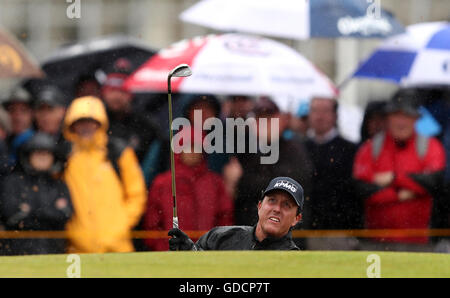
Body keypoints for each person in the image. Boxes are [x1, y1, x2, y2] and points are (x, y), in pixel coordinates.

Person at [353, 95, 446, 250]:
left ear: (416, 119)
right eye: (396, 115)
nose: (401, 121)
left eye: (407, 116)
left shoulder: (431, 147)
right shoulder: (370, 149)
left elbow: (433, 183)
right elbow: (363, 190)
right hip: (376, 242)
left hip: (420, 242)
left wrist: (393, 178)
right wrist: (401, 194)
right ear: (388, 118)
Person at [62, 96, 147, 253]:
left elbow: (137, 194)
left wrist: (122, 224)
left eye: (91, 122)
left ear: (100, 124)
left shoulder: (118, 152)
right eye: (80, 122)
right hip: (77, 249)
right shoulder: (64, 156)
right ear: (72, 125)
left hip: (118, 247)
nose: (86, 127)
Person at [143, 127, 234, 251]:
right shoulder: (162, 183)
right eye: (187, 147)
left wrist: (216, 247)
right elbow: (152, 223)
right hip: (170, 257)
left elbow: (225, 218)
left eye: (196, 147)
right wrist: (163, 248)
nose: (192, 152)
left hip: (208, 256)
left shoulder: (215, 183)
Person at [233, 97, 313, 230]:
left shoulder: (294, 149)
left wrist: (242, 179)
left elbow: (287, 185)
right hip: (250, 229)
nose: (264, 124)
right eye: (259, 119)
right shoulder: (243, 150)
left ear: (280, 121)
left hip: (285, 231)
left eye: (269, 119)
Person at [168, 176, 303, 251]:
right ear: (260, 206)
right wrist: (187, 253)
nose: (277, 209)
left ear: (296, 218)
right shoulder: (221, 237)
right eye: (272, 200)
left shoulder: (294, 261)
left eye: (286, 205)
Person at [0, 133, 72, 255]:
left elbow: (67, 214)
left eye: (46, 153)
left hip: (54, 249)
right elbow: (10, 214)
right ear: (29, 156)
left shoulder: (58, 184)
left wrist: (28, 211)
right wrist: (50, 211)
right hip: (17, 250)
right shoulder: (14, 181)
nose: (42, 157)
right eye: (38, 153)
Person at [304, 97, 360, 250]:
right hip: (304, 228)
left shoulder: (350, 150)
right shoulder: (299, 148)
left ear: (335, 115)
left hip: (338, 229)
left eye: (325, 111)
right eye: (315, 110)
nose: (319, 116)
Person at [33, 84, 71, 176]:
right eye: (41, 110)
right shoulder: (27, 142)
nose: (45, 116)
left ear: (62, 111)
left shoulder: (72, 142)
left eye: (50, 109)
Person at [2, 86, 34, 168]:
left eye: (23, 111)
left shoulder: (37, 143)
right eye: (12, 110)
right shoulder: (4, 140)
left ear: (32, 114)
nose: (17, 117)